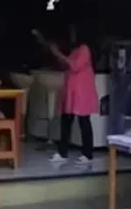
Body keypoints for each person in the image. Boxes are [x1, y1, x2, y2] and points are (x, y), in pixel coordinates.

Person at [35, 25, 98, 166]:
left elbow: (75, 66)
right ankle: (63, 152)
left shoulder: (84, 49)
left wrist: (58, 54)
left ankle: (88, 154)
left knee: (83, 122)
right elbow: (66, 65)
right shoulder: (76, 50)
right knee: (66, 121)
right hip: (72, 91)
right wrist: (56, 54)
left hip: (81, 92)